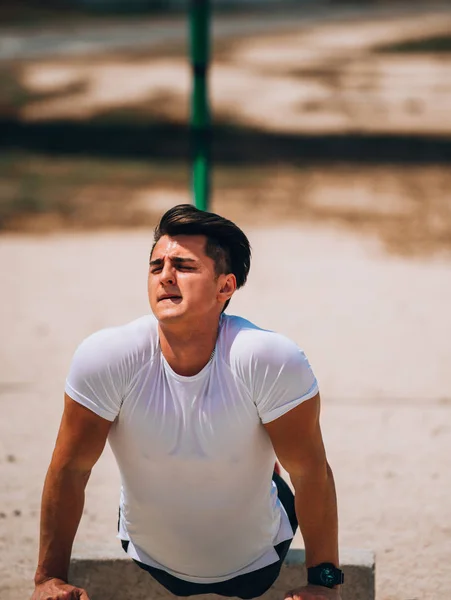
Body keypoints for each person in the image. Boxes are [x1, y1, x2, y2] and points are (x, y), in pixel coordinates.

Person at [31, 204, 343, 600]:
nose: (165, 276)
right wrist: (48, 579)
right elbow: (71, 467)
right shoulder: (107, 356)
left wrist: (324, 585)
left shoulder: (268, 358)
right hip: (147, 554)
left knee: (288, 466)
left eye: (183, 265)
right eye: (156, 265)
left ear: (225, 287)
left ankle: (263, 470)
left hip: (258, 563)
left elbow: (312, 472)